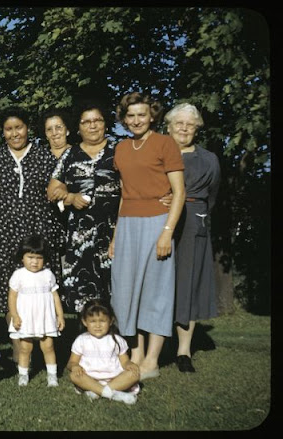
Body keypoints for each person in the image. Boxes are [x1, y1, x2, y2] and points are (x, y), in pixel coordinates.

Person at [109, 91, 185, 381]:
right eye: (130, 116)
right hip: (128, 224)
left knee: (156, 290)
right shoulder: (121, 148)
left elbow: (179, 192)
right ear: (124, 119)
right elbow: (124, 194)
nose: (136, 120)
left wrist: (167, 232)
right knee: (126, 290)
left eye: (142, 114)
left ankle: (152, 360)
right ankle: (136, 354)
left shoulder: (165, 143)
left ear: (152, 116)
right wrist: (116, 235)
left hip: (157, 223)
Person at [0, 107, 65, 362]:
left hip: (37, 231)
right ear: (3, 132)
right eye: (9, 129)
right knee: (10, 287)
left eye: (19, 127)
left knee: (39, 288)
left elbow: (58, 183)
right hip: (4, 232)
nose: (14, 133)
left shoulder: (43, 155)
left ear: (27, 128)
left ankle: (44, 346)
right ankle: (18, 346)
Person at [47, 100, 121, 312]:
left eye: (97, 120)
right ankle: (85, 334)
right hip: (80, 235)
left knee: (115, 291)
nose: (92, 125)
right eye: (86, 122)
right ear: (78, 128)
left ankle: (118, 333)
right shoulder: (70, 155)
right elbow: (52, 191)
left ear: (105, 124)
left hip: (114, 232)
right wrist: (70, 198)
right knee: (82, 294)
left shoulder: (118, 151)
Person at [163, 103, 221, 373]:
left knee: (189, 283)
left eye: (190, 124)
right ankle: (157, 342)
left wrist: (195, 215)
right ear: (169, 127)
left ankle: (183, 350)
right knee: (159, 281)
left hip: (193, 223)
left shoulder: (209, 159)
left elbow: (213, 197)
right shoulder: (157, 153)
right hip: (158, 220)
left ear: (197, 129)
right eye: (179, 123)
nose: (184, 128)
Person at [8, 235, 65, 387]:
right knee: (25, 348)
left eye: (39, 258)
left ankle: (52, 375)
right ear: (22, 258)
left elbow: (55, 296)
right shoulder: (19, 275)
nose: (34, 262)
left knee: (48, 346)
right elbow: (12, 297)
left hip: (45, 317)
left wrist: (60, 316)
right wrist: (14, 315)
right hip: (26, 317)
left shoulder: (48, 274)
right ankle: (23, 375)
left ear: (44, 259)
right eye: (30, 257)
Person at [67, 299, 140, 404]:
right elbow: (71, 362)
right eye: (93, 321)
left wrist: (129, 364)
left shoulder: (117, 340)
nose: (98, 325)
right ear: (84, 322)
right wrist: (75, 366)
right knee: (74, 375)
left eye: (102, 321)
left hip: (115, 379)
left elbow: (125, 361)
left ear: (111, 321)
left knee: (134, 374)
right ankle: (112, 394)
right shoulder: (81, 340)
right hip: (90, 379)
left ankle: (98, 391)